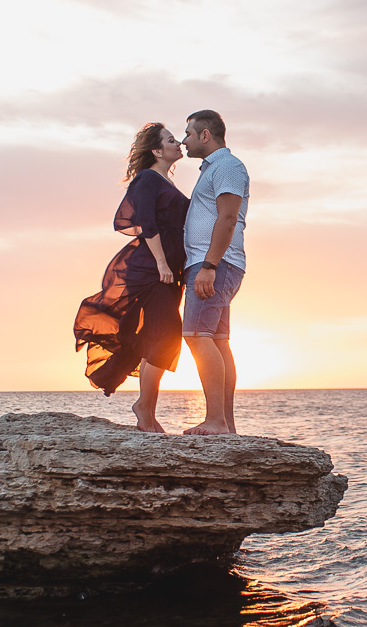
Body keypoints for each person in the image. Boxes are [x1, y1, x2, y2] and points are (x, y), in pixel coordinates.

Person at [73, 123, 190, 432]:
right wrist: (163, 264)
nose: (178, 143)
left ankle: (146, 409)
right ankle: (145, 409)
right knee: (165, 334)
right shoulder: (148, 179)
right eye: (171, 140)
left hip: (168, 272)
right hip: (154, 271)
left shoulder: (163, 180)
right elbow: (147, 223)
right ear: (156, 150)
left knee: (160, 334)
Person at [179, 109, 248, 435]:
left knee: (196, 336)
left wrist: (209, 265)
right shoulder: (214, 169)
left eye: (189, 134)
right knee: (217, 340)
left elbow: (228, 217)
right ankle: (226, 424)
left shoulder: (228, 167)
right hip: (213, 264)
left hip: (214, 265)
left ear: (205, 135)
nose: (184, 140)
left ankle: (216, 421)